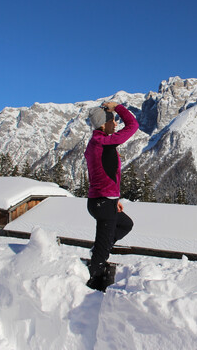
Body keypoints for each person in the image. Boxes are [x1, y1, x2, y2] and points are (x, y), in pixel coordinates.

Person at [84, 101, 139, 291]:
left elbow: (103, 173)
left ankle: (100, 248)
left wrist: (114, 200)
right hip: (103, 203)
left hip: (102, 201)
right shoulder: (104, 142)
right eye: (113, 121)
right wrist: (118, 108)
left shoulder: (95, 143)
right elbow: (133, 126)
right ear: (103, 124)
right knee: (101, 254)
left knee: (125, 224)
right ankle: (91, 289)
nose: (116, 125)